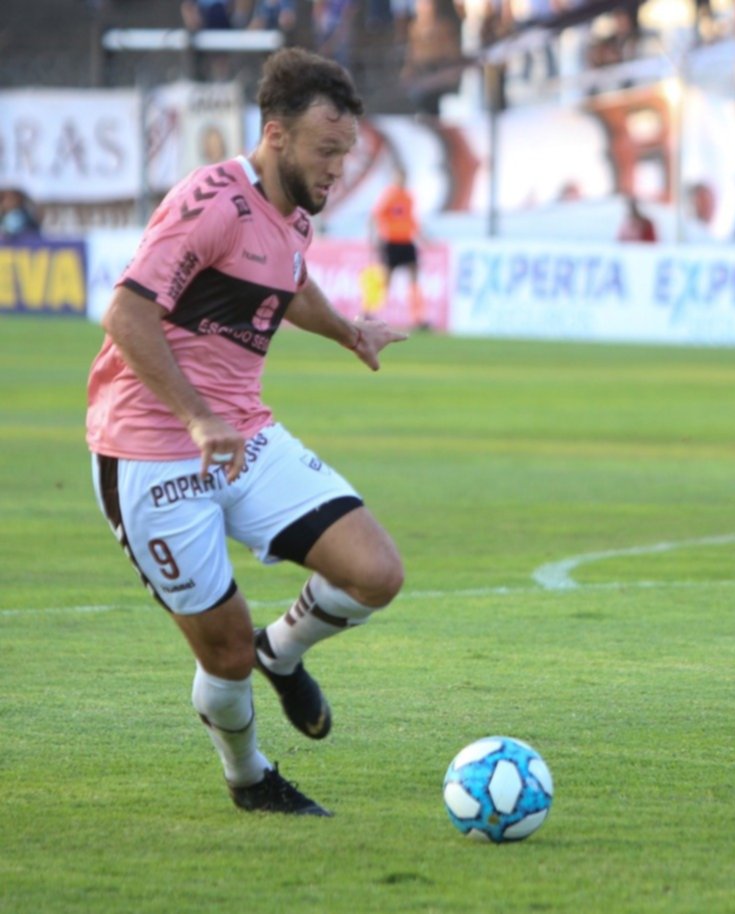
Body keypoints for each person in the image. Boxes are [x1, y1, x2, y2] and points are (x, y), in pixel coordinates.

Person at [86, 48, 407, 817]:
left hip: (244, 436)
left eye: (346, 153)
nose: (338, 169)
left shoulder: (290, 212)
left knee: (375, 573)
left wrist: (345, 333)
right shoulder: (210, 202)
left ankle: (282, 651)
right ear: (275, 134)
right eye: (326, 151)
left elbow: (288, 278)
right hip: (152, 449)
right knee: (221, 650)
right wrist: (197, 413)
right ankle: (249, 778)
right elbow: (126, 313)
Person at [370, 164, 428, 329]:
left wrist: (424, 237)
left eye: (403, 177)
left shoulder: (408, 197)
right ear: (394, 178)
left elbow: (412, 220)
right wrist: (374, 237)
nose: (401, 180)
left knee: (414, 277)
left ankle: (418, 317)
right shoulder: (389, 196)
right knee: (386, 279)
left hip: (407, 241)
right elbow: (376, 216)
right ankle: (372, 313)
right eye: (399, 177)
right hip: (391, 241)